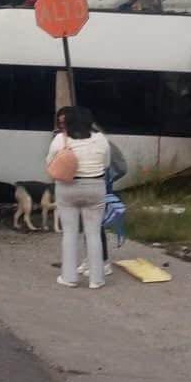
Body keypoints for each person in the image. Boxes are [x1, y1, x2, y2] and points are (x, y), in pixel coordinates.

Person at [47, 107, 111, 290]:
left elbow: (50, 162)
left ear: (67, 123)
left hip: (68, 189)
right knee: (93, 233)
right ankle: (96, 279)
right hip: (96, 188)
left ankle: (69, 277)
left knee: (69, 232)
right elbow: (106, 164)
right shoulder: (101, 139)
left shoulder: (60, 140)